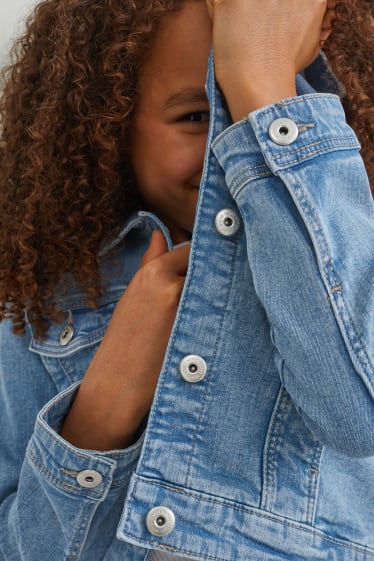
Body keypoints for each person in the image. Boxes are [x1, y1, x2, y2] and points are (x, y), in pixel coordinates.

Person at [0, 0, 373, 559]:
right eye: (198, 117)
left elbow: (356, 412)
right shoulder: (44, 290)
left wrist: (258, 70)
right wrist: (102, 406)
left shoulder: (355, 257)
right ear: (109, 122)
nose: (235, 154)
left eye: (281, 106)